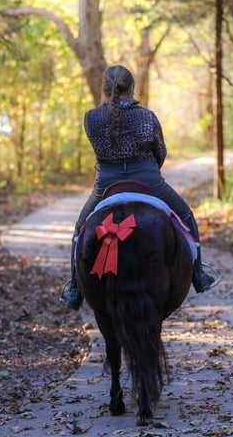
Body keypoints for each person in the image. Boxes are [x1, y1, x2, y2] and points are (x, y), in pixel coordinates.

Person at [60, 64, 220, 311]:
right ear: (132, 87)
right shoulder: (147, 116)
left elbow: (99, 150)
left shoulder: (91, 118)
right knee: (186, 215)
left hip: (106, 182)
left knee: (80, 230)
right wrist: (148, 171)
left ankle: (75, 288)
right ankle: (199, 274)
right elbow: (160, 152)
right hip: (147, 178)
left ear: (104, 89)